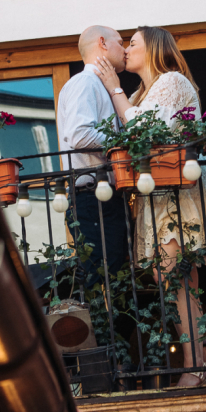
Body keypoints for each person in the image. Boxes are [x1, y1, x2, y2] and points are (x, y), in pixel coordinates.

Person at [95, 26, 206, 387]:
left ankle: (195, 365)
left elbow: (144, 128)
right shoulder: (144, 90)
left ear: (152, 48)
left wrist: (114, 89)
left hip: (177, 193)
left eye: (132, 43)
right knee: (174, 276)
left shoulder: (172, 81)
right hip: (159, 193)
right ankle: (198, 361)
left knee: (171, 275)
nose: (126, 50)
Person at [56, 25, 129, 288]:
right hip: (92, 198)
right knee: (100, 278)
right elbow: (79, 135)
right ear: (102, 43)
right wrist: (124, 144)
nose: (126, 50)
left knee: (109, 278)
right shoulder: (85, 83)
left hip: (101, 197)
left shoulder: (96, 86)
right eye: (121, 43)